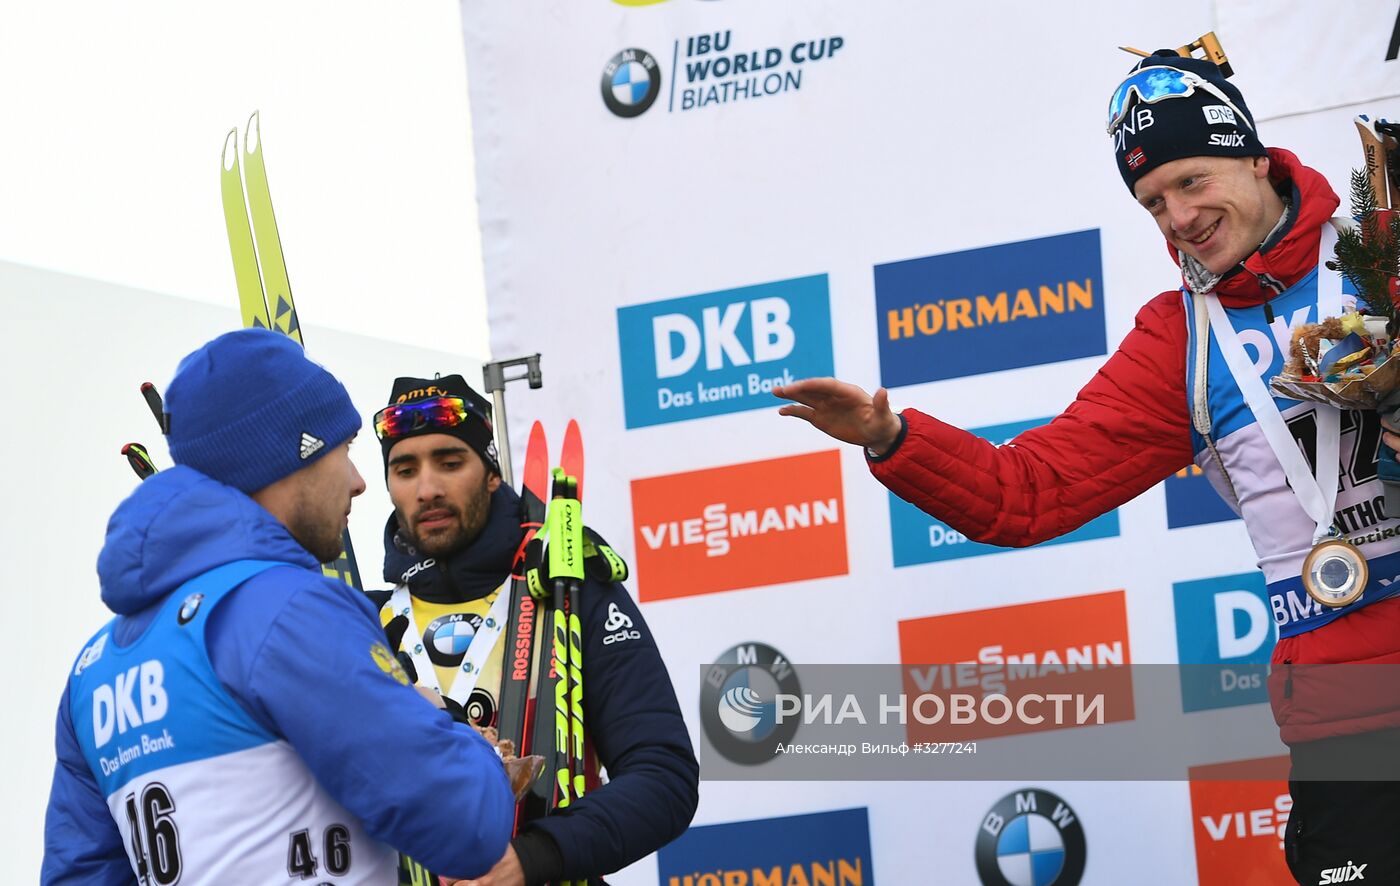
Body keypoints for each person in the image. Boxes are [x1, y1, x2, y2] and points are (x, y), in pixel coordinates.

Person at [777, 50, 1400, 884]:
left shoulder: (1380, 249)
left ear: (1255, 158)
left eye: (1191, 181)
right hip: (1348, 723)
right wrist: (891, 438)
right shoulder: (1180, 340)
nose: (1179, 217)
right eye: (1153, 202)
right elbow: (1027, 494)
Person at [42, 329, 515, 884]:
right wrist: (452, 732)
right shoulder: (292, 611)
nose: (359, 482)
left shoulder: (93, 667)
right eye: (344, 450)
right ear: (298, 455)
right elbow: (465, 824)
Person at [371, 375, 699, 886]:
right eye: (405, 469)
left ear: (491, 474)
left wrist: (532, 858)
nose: (427, 489)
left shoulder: (568, 593)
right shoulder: (367, 621)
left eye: (450, 463)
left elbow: (663, 777)